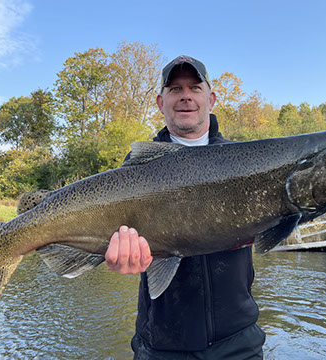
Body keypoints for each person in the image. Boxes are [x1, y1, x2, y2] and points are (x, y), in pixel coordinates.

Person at [105, 55, 265, 359]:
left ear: (211, 98)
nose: (186, 96)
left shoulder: (246, 160)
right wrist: (114, 258)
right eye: (175, 89)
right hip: (161, 347)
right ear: (160, 102)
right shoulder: (134, 170)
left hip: (239, 344)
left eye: (195, 87)